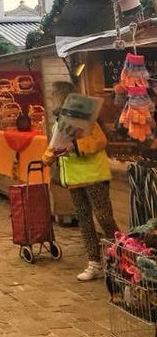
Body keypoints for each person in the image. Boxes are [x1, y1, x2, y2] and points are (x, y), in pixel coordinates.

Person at [42, 120, 118, 281]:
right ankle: (94, 263)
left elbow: (100, 141)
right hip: (74, 179)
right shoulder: (58, 125)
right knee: (84, 221)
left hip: (94, 177)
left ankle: (121, 257)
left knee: (104, 218)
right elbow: (52, 148)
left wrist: (76, 146)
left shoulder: (90, 123)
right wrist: (49, 156)